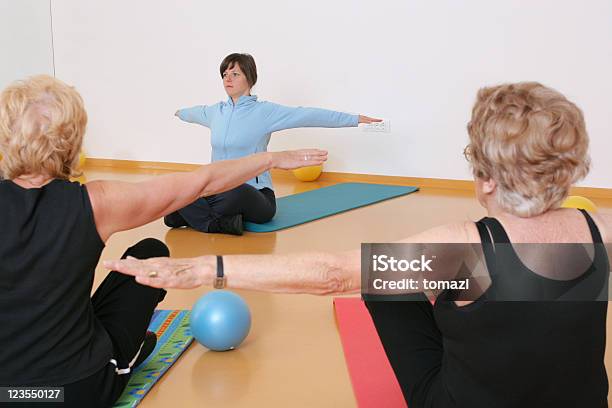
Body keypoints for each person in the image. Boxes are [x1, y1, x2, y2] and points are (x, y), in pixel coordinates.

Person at [107, 82, 612, 407]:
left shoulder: (462, 252)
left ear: (484, 178)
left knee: (386, 280)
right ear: (570, 170)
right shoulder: (601, 232)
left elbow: (332, 274)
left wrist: (200, 272)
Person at [0, 75, 326, 407]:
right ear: (71, 141)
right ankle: (128, 354)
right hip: (80, 390)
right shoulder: (95, 203)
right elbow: (201, 183)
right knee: (150, 253)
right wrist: (271, 159)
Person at [165, 53, 382, 235]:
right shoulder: (214, 112)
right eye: (224, 74)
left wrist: (355, 119)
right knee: (177, 202)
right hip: (216, 189)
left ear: (250, 78)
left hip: (254, 193)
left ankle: (202, 218)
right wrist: (178, 112)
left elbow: (308, 115)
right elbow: (191, 113)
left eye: (235, 74)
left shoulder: (265, 112)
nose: (227, 79)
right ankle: (219, 222)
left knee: (217, 197)